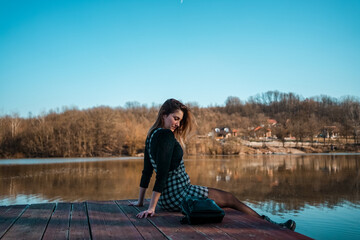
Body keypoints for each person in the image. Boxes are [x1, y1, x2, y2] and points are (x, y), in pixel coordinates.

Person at [129, 98, 296, 231]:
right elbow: (162, 173)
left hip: (169, 197)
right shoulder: (165, 135)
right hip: (179, 194)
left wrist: (141, 202)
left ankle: (267, 221)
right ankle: (271, 224)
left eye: (180, 120)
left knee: (224, 199)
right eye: (175, 118)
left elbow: (147, 171)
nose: (178, 124)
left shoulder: (151, 136)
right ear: (164, 115)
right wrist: (152, 208)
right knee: (230, 199)